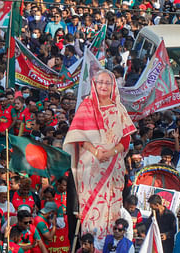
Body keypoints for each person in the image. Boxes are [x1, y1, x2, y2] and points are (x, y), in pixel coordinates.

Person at [63, 67, 136, 245]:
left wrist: (110, 152)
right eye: (100, 82)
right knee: (90, 204)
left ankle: (109, 243)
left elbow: (126, 139)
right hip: (90, 167)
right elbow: (78, 136)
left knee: (112, 206)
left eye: (107, 83)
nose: (104, 86)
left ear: (113, 86)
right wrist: (96, 152)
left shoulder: (119, 110)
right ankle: (90, 244)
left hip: (113, 165)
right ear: (94, 85)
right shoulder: (85, 107)